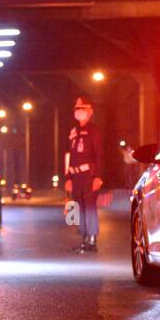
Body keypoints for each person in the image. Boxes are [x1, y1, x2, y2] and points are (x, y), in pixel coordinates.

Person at [65, 95, 104, 253]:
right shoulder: (74, 131)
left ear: (90, 111)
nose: (78, 111)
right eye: (76, 108)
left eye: (81, 107)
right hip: (75, 176)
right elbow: (68, 156)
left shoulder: (94, 131)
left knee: (89, 207)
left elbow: (99, 155)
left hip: (88, 174)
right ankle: (84, 238)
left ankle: (92, 239)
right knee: (79, 207)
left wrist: (98, 177)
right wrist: (68, 177)